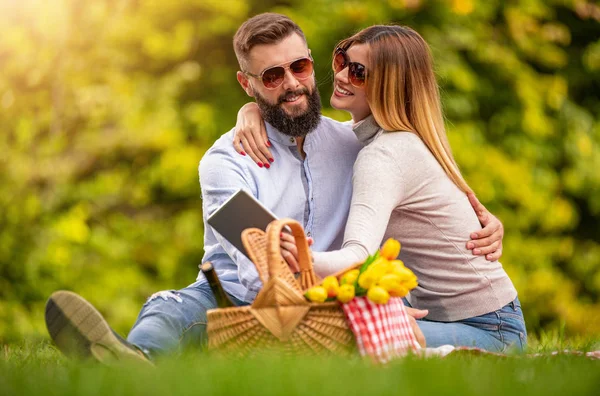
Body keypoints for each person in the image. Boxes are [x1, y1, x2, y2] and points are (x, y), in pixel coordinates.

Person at [44, 13, 504, 363]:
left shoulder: (353, 144)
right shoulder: (225, 163)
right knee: (171, 310)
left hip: (325, 303)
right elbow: (262, 268)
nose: (292, 84)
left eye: (299, 66)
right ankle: (132, 363)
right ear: (247, 84)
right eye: (271, 76)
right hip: (242, 298)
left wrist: (483, 217)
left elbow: (418, 179)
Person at [235, 24, 526, 352]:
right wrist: (252, 110)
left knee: (329, 340)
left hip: (490, 328)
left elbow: (358, 256)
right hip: (464, 318)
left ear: (389, 84)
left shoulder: (384, 154)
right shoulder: (373, 139)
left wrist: (298, 257)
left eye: (358, 72)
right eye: (342, 60)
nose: (343, 75)